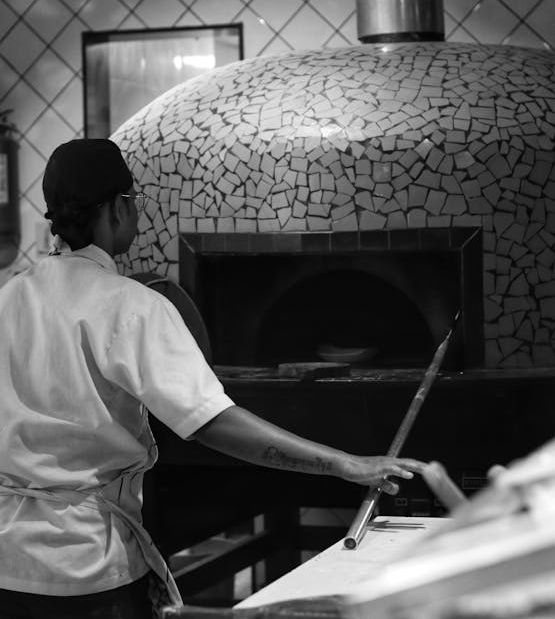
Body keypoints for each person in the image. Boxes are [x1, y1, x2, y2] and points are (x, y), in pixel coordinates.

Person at [0, 139, 426, 619]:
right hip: (86, 566)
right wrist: (344, 463)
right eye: (133, 202)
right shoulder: (130, 306)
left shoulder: (9, 297)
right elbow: (213, 423)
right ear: (117, 209)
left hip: (8, 562)